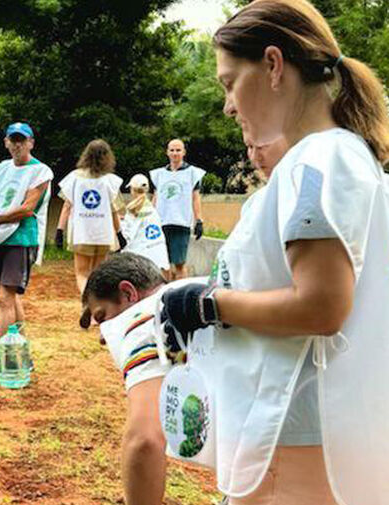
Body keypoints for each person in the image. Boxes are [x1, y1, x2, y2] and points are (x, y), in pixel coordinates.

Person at [161, 1, 389, 503]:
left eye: (228, 83)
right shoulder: (329, 159)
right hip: (299, 433)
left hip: (298, 434)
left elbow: (322, 305)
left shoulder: (321, 159)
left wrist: (207, 306)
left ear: (272, 65)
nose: (227, 105)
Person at [81, 253, 200, 505]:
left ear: (128, 294)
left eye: (103, 318)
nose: (103, 337)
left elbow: (144, 440)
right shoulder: (191, 291)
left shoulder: (146, 321)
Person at [0, 122, 53, 382]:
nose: (17, 144)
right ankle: (21, 353)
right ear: (6, 142)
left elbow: (28, 208)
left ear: (31, 143)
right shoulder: (3, 168)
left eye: (22, 140)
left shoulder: (40, 171)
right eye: (12, 139)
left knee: (5, 297)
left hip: (21, 238)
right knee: (12, 297)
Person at [55, 139, 126, 295]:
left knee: (82, 273)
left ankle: (87, 302)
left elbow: (67, 206)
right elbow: (115, 210)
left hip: (82, 233)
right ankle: (96, 305)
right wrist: (119, 233)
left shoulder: (74, 178)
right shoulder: (110, 181)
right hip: (103, 235)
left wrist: (60, 230)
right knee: (97, 274)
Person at [148, 139, 206, 280]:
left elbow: (195, 197)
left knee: (179, 263)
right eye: (172, 150)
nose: (175, 153)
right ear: (167, 152)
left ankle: (180, 294)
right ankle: (165, 294)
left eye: (178, 150)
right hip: (161, 222)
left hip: (181, 222)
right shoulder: (159, 174)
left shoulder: (192, 173)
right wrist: (149, 217)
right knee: (163, 263)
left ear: (184, 152)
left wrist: (198, 220)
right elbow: (156, 196)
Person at [121, 174, 170, 274]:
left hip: (138, 257)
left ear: (133, 190)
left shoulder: (132, 210)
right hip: (156, 255)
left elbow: (128, 235)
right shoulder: (152, 210)